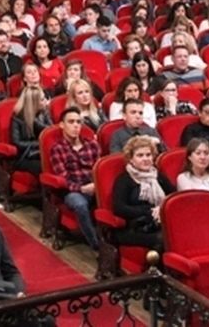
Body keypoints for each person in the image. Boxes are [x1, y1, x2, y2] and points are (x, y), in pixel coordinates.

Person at [45, 107, 101, 249]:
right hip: (72, 190)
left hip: (94, 186)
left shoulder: (92, 144)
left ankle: (114, 241)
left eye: (78, 122)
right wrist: (82, 189)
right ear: (62, 125)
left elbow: (99, 170)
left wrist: (97, 185)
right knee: (80, 204)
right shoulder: (58, 148)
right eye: (71, 122)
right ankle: (96, 244)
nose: (76, 126)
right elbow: (64, 179)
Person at [111, 134, 174, 252]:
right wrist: (149, 211)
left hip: (159, 223)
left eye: (148, 155)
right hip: (132, 228)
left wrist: (161, 208)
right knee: (165, 239)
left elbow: (174, 196)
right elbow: (119, 208)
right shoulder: (124, 179)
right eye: (140, 155)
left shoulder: (158, 176)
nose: (145, 159)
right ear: (131, 159)